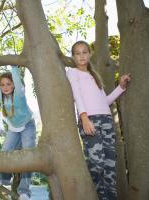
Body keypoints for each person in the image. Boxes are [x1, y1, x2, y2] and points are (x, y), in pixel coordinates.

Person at [66, 40, 131, 200]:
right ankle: (96, 195)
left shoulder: (94, 76)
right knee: (97, 163)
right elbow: (77, 95)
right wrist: (84, 118)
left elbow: (105, 102)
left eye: (84, 52)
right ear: (73, 56)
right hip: (90, 120)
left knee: (110, 166)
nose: (81, 56)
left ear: (89, 54)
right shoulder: (72, 72)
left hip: (107, 120)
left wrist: (121, 87)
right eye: (77, 53)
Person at [0, 65, 36, 200]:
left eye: (8, 84)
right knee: (5, 151)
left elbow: (17, 80)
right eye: (2, 84)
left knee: (28, 154)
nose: (5, 87)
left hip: (27, 126)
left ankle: (24, 191)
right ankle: (5, 179)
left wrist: (14, 66)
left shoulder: (19, 93)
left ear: (14, 85)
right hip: (13, 128)